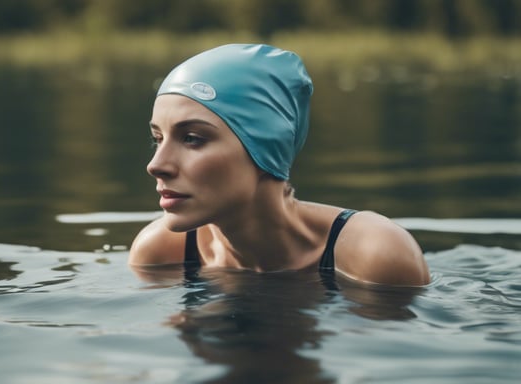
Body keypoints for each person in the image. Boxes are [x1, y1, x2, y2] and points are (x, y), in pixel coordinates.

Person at [129, 43, 430, 286]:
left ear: (266, 146)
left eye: (192, 138)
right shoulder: (161, 252)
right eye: (158, 138)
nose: (156, 165)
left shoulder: (375, 255)